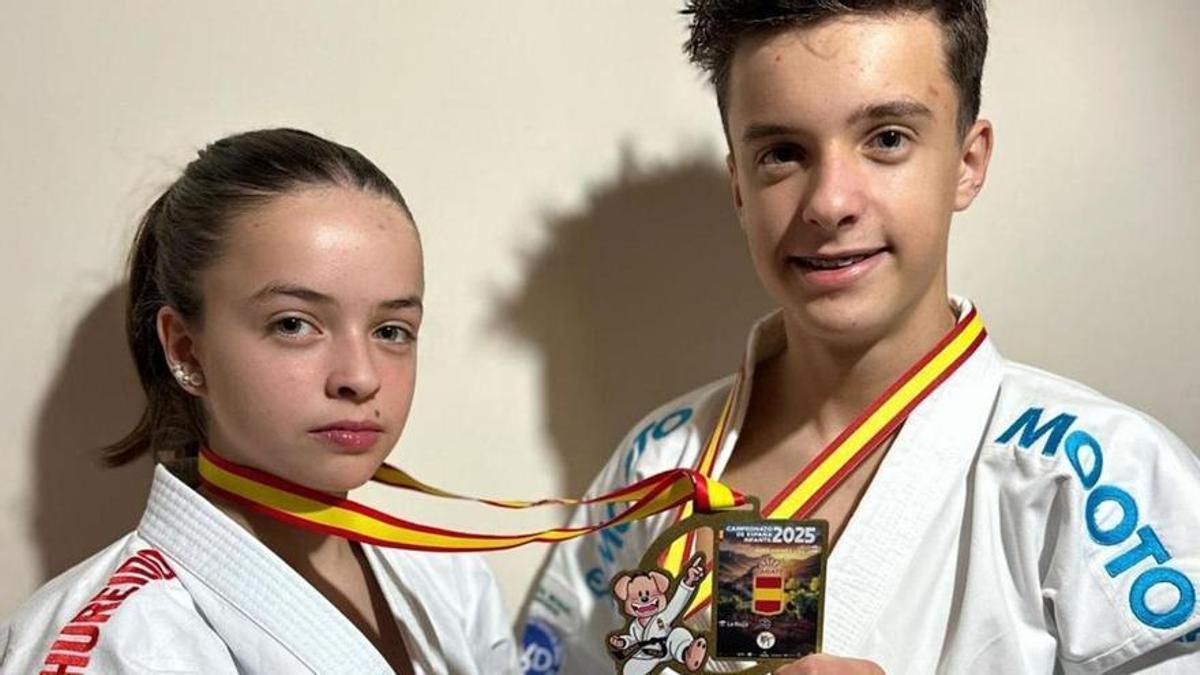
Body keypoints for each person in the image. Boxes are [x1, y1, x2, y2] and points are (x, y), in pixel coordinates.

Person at [520, 2, 1200, 673]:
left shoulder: (1099, 478)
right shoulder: (656, 464)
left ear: (968, 161)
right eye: (782, 153)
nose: (830, 202)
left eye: (887, 139)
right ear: (739, 187)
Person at [0, 128, 518, 674]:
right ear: (187, 350)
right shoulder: (125, 642)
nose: (360, 377)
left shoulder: (451, 585)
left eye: (391, 330)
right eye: (294, 324)